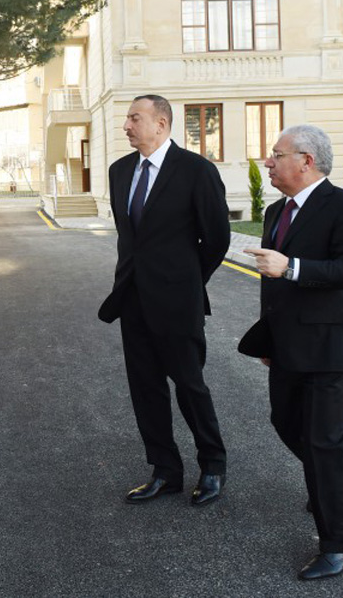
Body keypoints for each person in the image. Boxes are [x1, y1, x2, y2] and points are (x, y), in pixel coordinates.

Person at [241, 124, 343, 580]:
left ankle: (339, 543)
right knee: (285, 423)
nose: (268, 162)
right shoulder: (275, 211)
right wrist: (269, 341)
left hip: (332, 347)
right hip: (287, 346)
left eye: (275, 154)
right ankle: (328, 477)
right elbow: (273, 286)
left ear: (307, 160)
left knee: (322, 443)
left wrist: (292, 266)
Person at [98, 95, 230, 506]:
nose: (126, 126)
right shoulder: (120, 171)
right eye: (127, 119)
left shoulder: (196, 171)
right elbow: (129, 237)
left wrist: (187, 282)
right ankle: (165, 471)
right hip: (132, 299)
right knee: (145, 389)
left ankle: (212, 466)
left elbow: (217, 239)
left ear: (162, 123)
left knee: (190, 386)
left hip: (177, 302)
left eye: (134, 118)